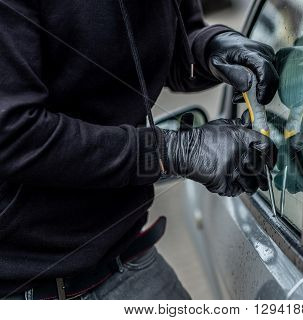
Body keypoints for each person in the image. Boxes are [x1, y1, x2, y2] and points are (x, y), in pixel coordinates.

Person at [0, 0, 279, 299]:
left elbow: (171, 47)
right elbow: (13, 135)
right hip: (24, 285)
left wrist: (209, 49)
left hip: (124, 256)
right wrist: (171, 152)